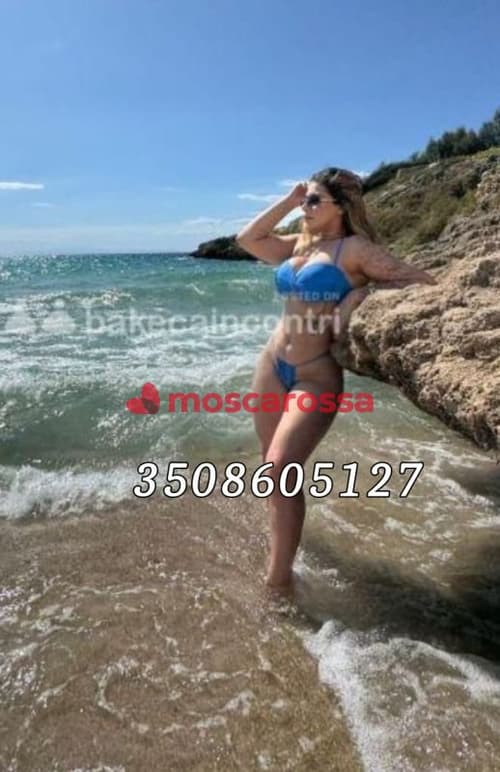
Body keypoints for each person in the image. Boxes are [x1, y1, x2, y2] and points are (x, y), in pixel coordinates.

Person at [236, 167, 437, 593]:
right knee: (270, 466)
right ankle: (280, 546)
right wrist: (289, 201)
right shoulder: (299, 243)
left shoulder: (355, 249)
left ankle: (278, 582)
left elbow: (419, 281)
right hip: (272, 364)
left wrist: (358, 297)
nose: (305, 208)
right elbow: (248, 239)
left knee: (280, 467)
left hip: (315, 374)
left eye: (313, 200)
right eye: (304, 200)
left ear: (341, 206)